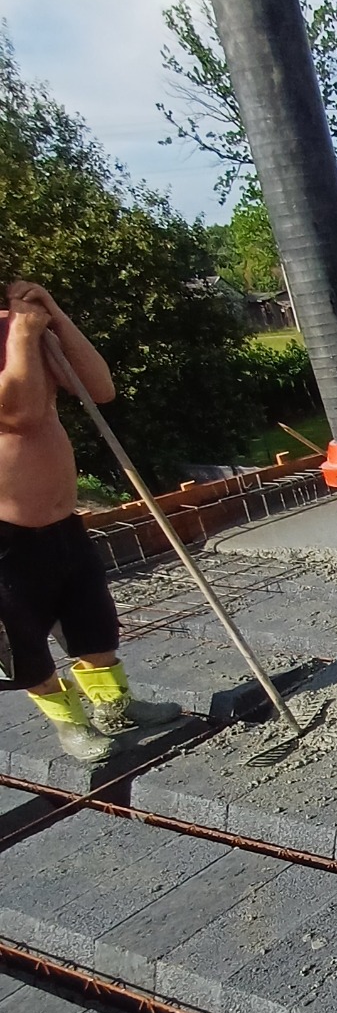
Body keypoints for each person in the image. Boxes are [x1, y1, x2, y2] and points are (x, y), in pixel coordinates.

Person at [0, 281, 179, 761]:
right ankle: (70, 725)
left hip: (61, 523)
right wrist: (22, 336)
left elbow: (98, 387)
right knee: (23, 641)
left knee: (93, 622)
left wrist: (54, 315)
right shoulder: (17, 338)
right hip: (5, 539)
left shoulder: (22, 332)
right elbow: (16, 412)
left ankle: (113, 706)